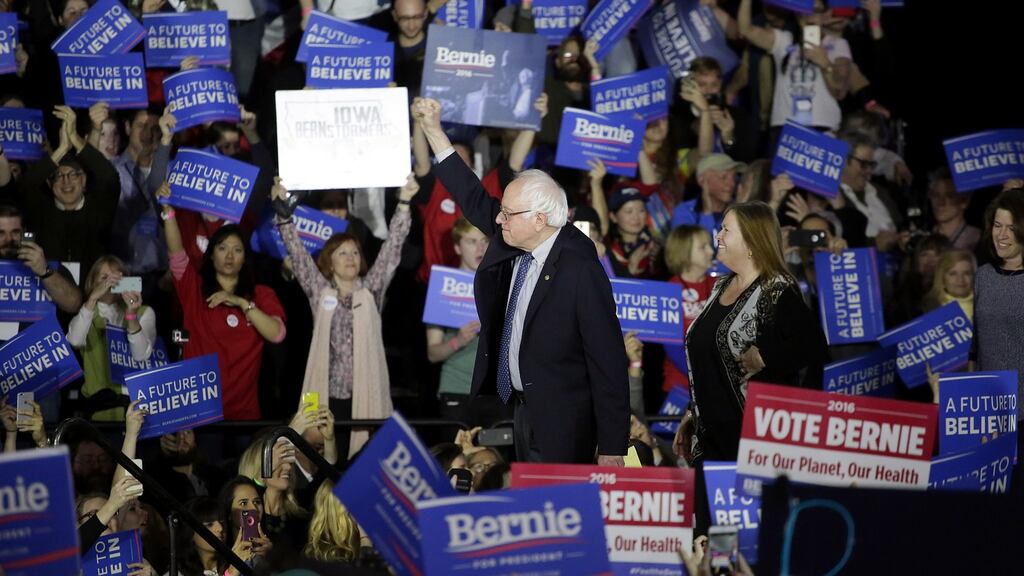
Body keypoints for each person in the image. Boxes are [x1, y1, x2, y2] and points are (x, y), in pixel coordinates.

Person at [412, 97, 630, 465]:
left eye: (508, 214)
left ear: (540, 219)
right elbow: (471, 194)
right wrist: (433, 130)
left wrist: (612, 446)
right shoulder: (517, 237)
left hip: (565, 425)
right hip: (521, 412)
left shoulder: (579, 270)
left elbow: (608, 362)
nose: (498, 221)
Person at [673, 201, 826, 535]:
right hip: (709, 441)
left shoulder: (776, 290)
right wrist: (691, 413)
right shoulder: (718, 288)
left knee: (748, 545)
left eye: (727, 229)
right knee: (710, 544)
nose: (719, 236)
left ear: (752, 240)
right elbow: (705, 360)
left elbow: (813, 345)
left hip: (754, 446)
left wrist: (766, 355)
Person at [271, 175, 415, 456]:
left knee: (362, 463)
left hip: (367, 395)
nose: (350, 258)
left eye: (355, 252)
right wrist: (283, 215)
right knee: (323, 462)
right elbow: (298, 255)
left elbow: (391, 249)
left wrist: (405, 203)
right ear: (329, 260)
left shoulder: (371, 290)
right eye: (342, 253)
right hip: (325, 396)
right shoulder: (319, 290)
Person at [159, 183, 287, 420]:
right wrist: (167, 210)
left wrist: (240, 302)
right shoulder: (193, 288)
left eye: (237, 250)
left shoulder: (261, 295)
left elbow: (277, 334)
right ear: (211, 254)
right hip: (200, 414)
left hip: (244, 416)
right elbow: (176, 253)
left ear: (245, 258)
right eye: (223, 248)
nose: (229, 255)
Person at [427, 217, 512, 428]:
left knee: (494, 459)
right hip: (457, 389)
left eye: (484, 241)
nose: (480, 248)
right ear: (457, 247)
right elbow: (433, 353)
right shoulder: (442, 286)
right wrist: (458, 340)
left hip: (495, 390)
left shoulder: (503, 283)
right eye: (471, 241)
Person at [67, 256, 157, 421]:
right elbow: (74, 340)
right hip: (98, 409)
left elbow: (141, 355)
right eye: (104, 278)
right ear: (93, 283)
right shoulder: (86, 314)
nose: (110, 283)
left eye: (117, 279)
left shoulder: (144, 312)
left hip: (135, 409)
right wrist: (92, 299)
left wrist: (131, 314)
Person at [971, 187, 1024, 425]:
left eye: (1012, 228)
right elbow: (976, 344)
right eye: (997, 225)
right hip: (987, 407)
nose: (1001, 235)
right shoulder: (983, 276)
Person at [662, 225, 716, 393]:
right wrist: (702, 375)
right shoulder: (669, 290)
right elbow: (671, 345)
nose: (711, 251)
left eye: (709, 245)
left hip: (716, 382)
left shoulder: (720, 285)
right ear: (684, 253)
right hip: (681, 385)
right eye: (702, 247)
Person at [928, 168, 981, 252]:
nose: (941, 203)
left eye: (950, 196)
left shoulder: (977, 239)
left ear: (964, 201)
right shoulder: (924, 239)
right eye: (936, 195)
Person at [922, 250, 975, 319]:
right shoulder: (927, 308)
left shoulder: (987, 304)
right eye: (953, 274)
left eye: (966, 273)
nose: (960, 279)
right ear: (942, 277)